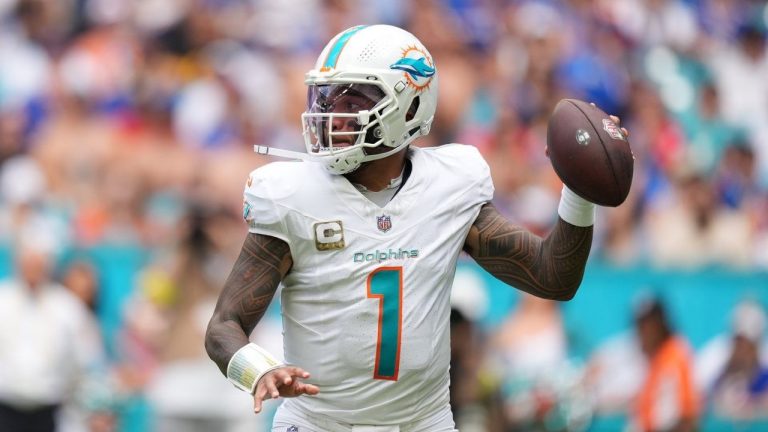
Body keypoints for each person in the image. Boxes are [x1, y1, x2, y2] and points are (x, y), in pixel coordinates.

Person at [205, 24, 625, 431]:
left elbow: (553, 278)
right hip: (319, 424)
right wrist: (257, 371)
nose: (331, 114)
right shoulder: (293, 195)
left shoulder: (449, 186)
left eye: (352, 102)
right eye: (326, 99)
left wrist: (579, 189)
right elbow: (224, 325)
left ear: (408, 107)